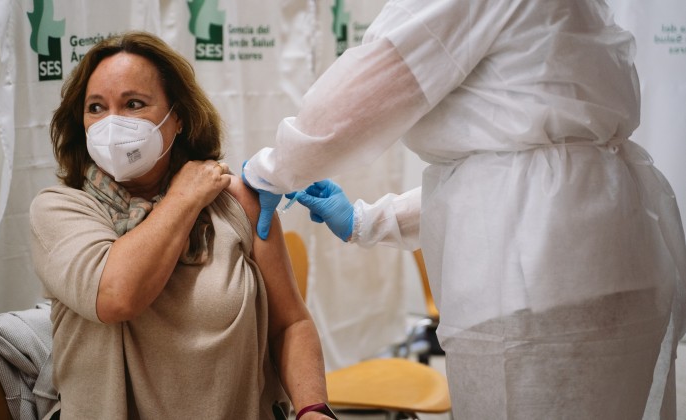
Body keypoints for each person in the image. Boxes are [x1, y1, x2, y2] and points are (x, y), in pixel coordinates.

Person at [242, 1, 686, 419]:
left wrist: (269, 171)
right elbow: (524, 169)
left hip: (537, 285)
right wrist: (369, 220)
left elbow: (354, 102)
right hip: (618, 254)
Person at [29, 31, 336, 420]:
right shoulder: (61, 209)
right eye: (96, 108)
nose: (111, 124)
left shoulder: (237, 202)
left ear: (177, 119)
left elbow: (290, 324)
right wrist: (184, 197)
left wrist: (313, 408)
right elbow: (117, 295)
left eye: (133, 104)